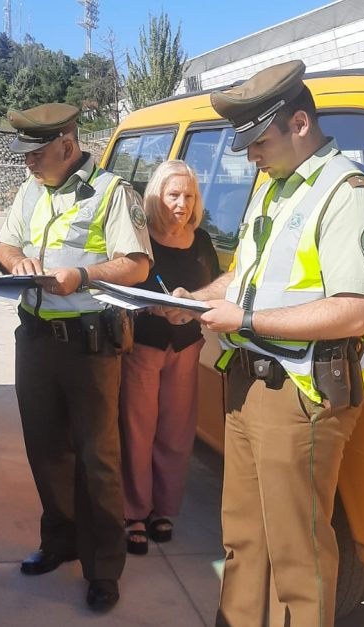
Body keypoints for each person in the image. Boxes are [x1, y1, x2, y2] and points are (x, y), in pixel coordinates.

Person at [172, 61, 364, 626]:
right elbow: (244, 277)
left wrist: (243, 318)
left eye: (258, 141)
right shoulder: (275, 189)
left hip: (298, 397)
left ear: (300, 122)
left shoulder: (347, 194)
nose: (250, 156)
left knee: (297, 554)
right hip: (247, 382)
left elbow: (354, 310)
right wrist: (194, 299)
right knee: (243, 539)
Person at [0, 103, 152, 611]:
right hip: (36, 338)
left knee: (97, 460)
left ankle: (103, 567)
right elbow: (5, 242)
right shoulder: (30, 190)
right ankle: (59, 541)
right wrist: (16, 259)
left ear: (67, 145)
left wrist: (82, 277)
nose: (27, 163)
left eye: (36, 153)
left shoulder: (112, 191)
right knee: (45, 451)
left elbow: (138, 264)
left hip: (90, 345)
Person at [119, 160, 220, 555]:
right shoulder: (141, 237)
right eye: (173, 194)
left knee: (177, 432)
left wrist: (193, 307)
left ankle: (164, 508)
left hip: (187, 345)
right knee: (137, 431)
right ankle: (134, 512)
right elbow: (123, 288)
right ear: (157, 196)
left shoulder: (203, 241)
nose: (181, 203)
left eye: (189, 196)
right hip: (144, 343)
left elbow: (215, 289)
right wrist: (151, 308)